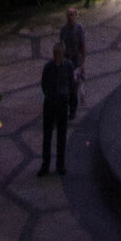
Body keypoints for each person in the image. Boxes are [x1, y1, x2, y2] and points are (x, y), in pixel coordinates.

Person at [39, 41, 73, 175]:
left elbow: (71, 83)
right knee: (47, 136)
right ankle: (45, 165)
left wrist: (67, 97)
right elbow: (43, 84)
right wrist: (50, 95)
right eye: (55, 54)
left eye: (59, 54)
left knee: (61, 135)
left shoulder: (68, 66)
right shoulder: (48, 67)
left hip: (62, 104)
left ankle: (60, 164)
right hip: (50, 103)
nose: (57, 56)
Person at [59, 5, 87, 120]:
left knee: (74, 86)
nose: (70, 17)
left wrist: (82, 63)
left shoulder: (79, 28)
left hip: (76, 61)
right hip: (67, 61)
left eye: (72, 15)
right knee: (67, 86)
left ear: (75, 16)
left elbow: (83, 46)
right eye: (68, 15)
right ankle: (67, 107)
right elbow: (61, 46)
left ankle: (73, 110)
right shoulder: (63, 30)